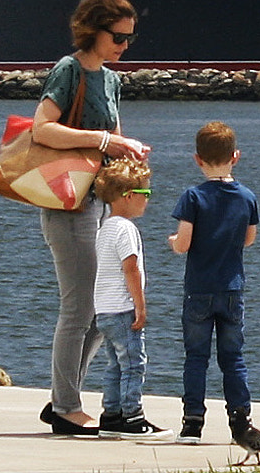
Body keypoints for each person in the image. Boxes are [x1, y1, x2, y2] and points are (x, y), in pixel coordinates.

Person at [33, 0, 151, 436]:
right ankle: (65, 406)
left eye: (129, 38)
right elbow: (42, 127)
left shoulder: (111, 80)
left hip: (101, 203)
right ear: (93, 30)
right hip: (68, 204)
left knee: (104, 309)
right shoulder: (69, 70)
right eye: (118, 36)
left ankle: (70, 401)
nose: (124, 45)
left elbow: (112, 139)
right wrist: (104, 142)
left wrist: (129, 153)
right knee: (79, 308)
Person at [167, 121, 260, 459]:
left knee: (196, 357)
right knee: (233, 358)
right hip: (232, 289)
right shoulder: (247, 197)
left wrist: (175, 244)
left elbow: (184, 242)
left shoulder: (193, 197)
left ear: (197, 159)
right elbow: (249, 239)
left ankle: (193, 423)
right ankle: (240, 420)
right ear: (236, 157)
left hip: (199, 290)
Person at [91, 157, 163, 438]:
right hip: (123, 309)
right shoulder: (126, 229)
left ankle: (111, 415)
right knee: (134, 363)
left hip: (104, 310)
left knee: (115, 365)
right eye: (146, 194)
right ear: (129, 196)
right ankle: (133, 417)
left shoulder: (105, 227)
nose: (148, 200)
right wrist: (140, 307)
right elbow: (130, 268)